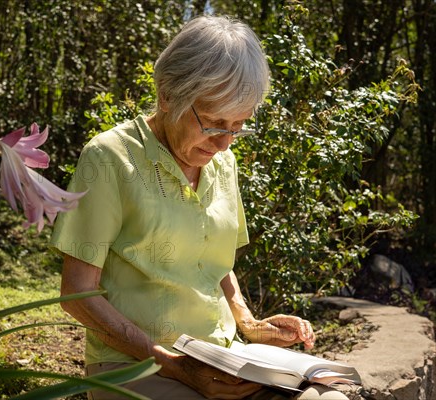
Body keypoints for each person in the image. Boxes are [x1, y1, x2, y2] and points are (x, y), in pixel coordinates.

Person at [50, 15, 349, 400]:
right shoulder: (109, 158)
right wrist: (175, 366)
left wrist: (248, 321)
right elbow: (77, 292)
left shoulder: (222, 163)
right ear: (167, 96)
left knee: (330, 397)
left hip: (220, 359)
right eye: (213, 123)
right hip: (133, 365)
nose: (225, 143)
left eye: (238, 127)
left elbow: (213, 261)